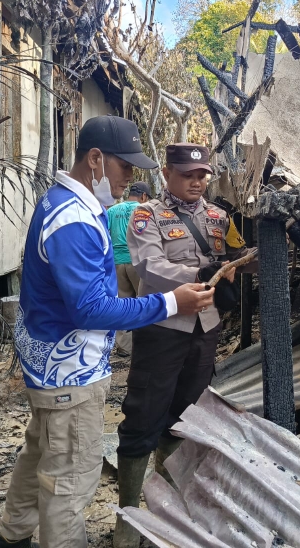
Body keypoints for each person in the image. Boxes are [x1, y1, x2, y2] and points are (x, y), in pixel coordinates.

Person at [0, 118, 214, 548]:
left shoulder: (61, 202)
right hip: (69, 374)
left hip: (50, 361)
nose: (130, 176)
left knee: (40, 452)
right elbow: (91, 308)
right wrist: (170, 302)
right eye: (123, 165)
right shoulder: (73, 218)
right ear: (94, 159)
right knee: (71, 478)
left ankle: (11, 534)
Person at [113, 142, 257, 547]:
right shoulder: (147, 215)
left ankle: (167, 504)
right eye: (187, 174)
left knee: (185, 416)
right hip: (163, 328)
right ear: (167, 173)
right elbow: (149, 267)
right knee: (143, 415)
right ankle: (129, 513)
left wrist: (257, 249)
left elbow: (238, 254)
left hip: (205, 329)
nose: (196, 181)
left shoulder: (218, 216)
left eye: (202, 175)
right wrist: (202, 270)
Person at [107, 181, 152, 357]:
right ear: (144, 196)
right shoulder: (145, 210)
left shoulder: (111, 211)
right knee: (144, 303)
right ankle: (144, 345)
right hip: (138, 263)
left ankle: (125, 347)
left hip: (116, 264)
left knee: (123, 305)